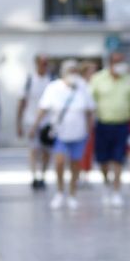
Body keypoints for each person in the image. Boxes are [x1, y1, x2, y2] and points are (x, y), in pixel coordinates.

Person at [33, 59, 95, 210]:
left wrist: (89, 129)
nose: (72, 74)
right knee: (59, 162)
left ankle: (72, 194)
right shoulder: (53, 88)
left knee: (75, 164)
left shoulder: (83, 87)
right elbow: (43, 108)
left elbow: (90, 110)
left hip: (79, 134)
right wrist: (35, 126)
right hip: (60, 133)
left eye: (75, 71)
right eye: (70, 71)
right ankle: (60, 191)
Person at [89, 51, 130, 207]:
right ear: (110, 63)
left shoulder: (128, 80)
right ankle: (106, 184)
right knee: (103, 160)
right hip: (103, 124)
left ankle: (117, 191)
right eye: (117, 62)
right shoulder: (98, 79)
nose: (120, 65)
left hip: (122, 125)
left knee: (118, 158)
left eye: (122, 61)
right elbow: (90, 103)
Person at [18, 55, 56, 190]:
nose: (44, 65)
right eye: (42, 63)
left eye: (46, 63)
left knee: (47, 151)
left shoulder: (52, 80)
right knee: (33, 150)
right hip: (31, 120)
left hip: (48, 122)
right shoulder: (30, 80)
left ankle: (43, 176)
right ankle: (34, 177)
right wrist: (19, 123)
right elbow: (22, 101)